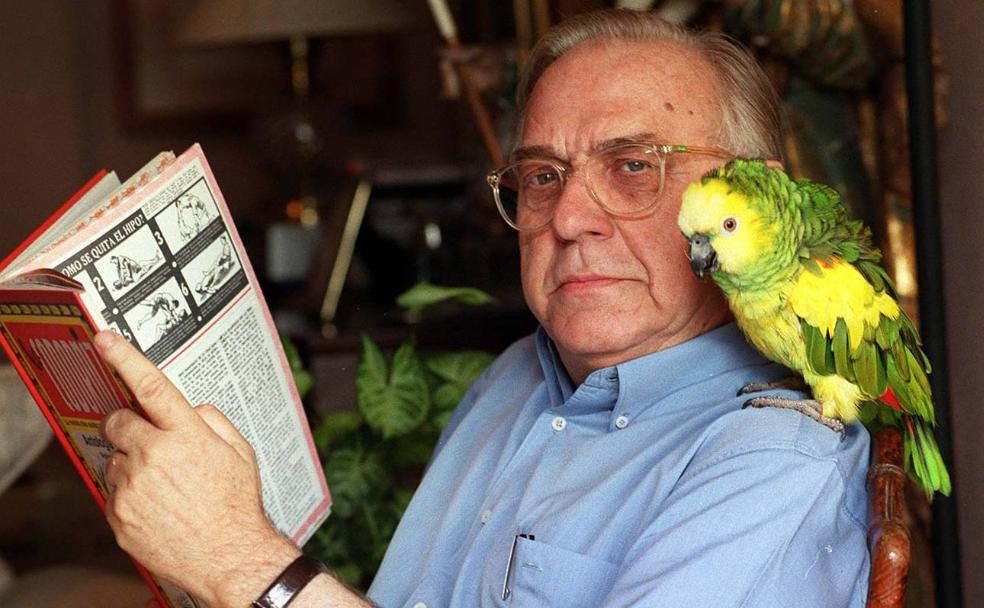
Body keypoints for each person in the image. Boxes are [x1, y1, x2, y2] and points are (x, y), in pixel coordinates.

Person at [97, 9, 870, 608]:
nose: (569, 217)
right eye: (542, 177)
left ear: (761, 196)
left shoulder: (776, 462)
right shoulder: (515, 378)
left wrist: (240, 561)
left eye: (634, 167)